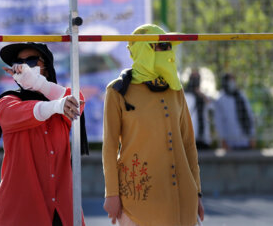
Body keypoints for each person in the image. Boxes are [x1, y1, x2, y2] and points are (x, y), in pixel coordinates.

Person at [102, 24, 204, 226]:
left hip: (184, 201)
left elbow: (188, 145)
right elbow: (110, 147)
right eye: (160, 46)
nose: (167, 51)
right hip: (138, 203)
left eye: (168, 45)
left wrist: (197, 192)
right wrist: (111, 194)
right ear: (142, 50)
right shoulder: (117, 91)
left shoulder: (175, 89)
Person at [0, 42, 88, 226]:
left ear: (47, 69)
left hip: (63, 213)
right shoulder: (7, 102)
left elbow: (77, 100)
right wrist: (56, 106)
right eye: (20, 62)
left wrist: (38, 84)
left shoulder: (63, 103)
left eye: (32, 61)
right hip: (19, 212)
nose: (25, 66)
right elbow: (34, 110)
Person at [214, 73, 256, 150]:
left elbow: (249, 117)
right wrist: (223, 141)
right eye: (230, 80)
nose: (232, 82)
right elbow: (219, 122)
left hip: (245, 141)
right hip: (230, 144)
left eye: (233, 80)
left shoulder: (241, 96)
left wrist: (252, 136)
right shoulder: (220, 99)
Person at [184, 70, 212, 149]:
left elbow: (211, 107)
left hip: (204, 137)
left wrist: (200, 94)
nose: (196, 80)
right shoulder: (184, 95)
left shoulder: (203, 96)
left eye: (197, 78)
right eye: (194, 78)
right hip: (191, 138)